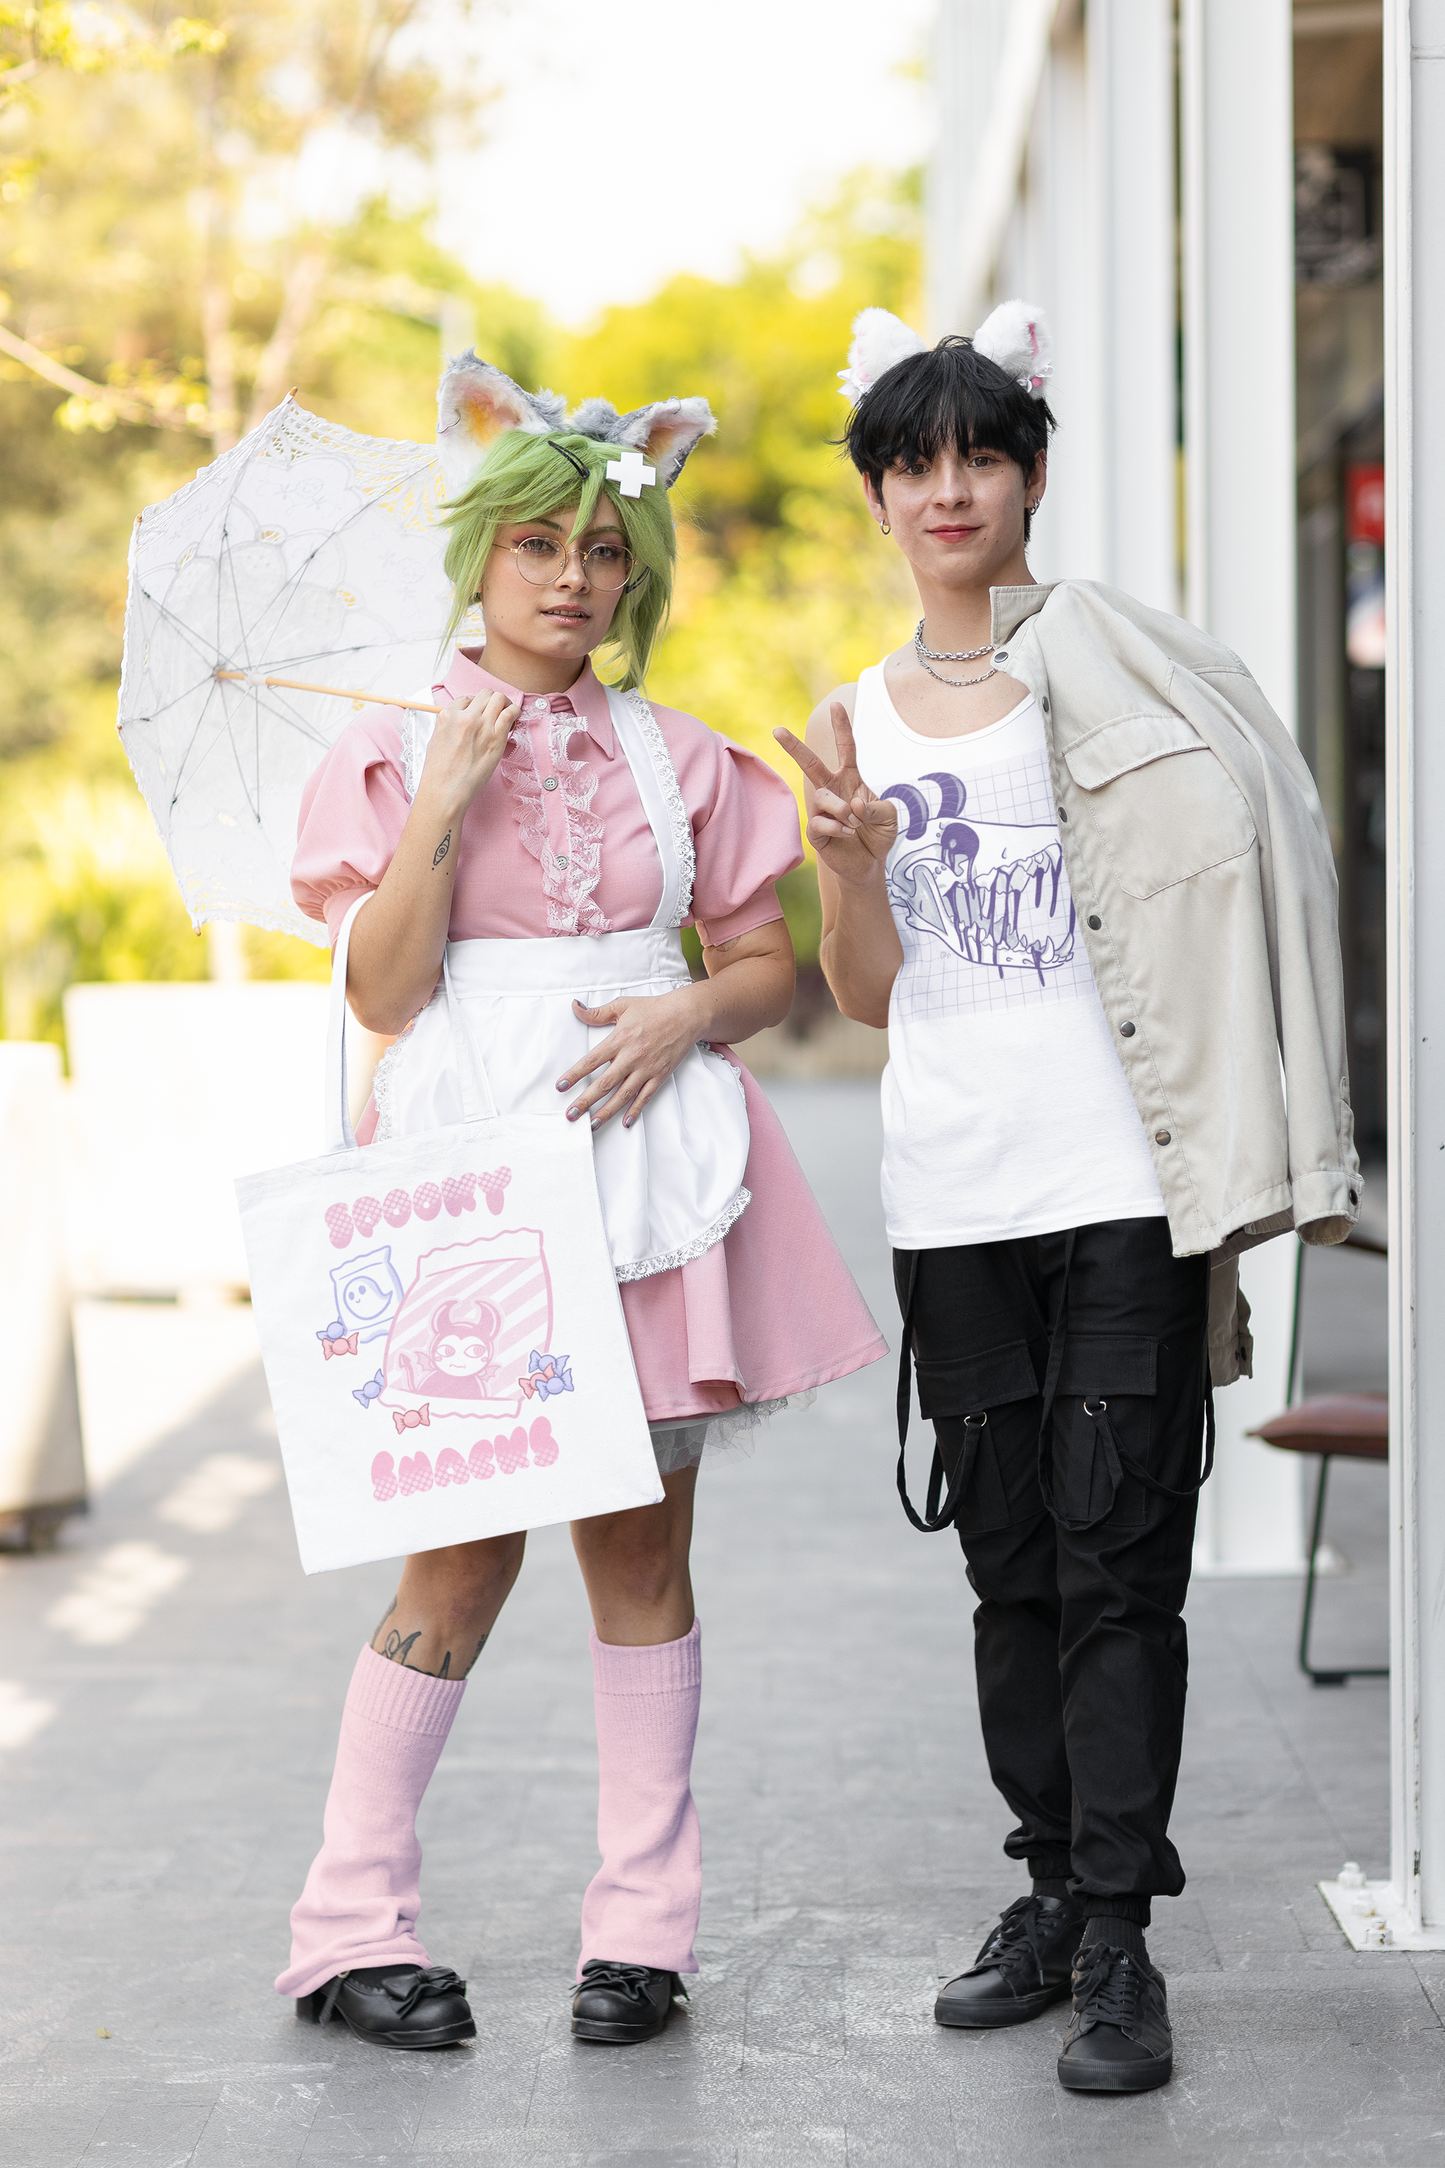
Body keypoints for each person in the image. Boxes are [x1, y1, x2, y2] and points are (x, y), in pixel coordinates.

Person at [775, 302, 1358, 2095]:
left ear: (1031, 474)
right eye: (916, 462)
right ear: (879, 498)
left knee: (1123, 1566)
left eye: (982, 455)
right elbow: (866, 995)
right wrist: (858, 864)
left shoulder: (1118, 672)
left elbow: (1252, 845)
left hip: (1122, 1187)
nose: (950, 489)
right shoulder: (847, 720)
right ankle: (1047, 1887)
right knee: (1010, 1568)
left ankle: (1120, 1942)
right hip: (955, 1196)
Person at [280, 352, 886, 2052]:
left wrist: (690, 1011)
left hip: (646, 1185)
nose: (572, 576)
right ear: (480, 552)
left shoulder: (682, 758)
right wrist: (443, 813)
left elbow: (765, 967)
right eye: (539, 543)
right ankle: (345, 1929)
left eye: (604, 551)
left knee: (641, 1554)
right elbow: (384, 998)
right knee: (457, 1566)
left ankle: (643, 1934)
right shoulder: (398, 750)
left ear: (637, 572)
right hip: (468, 1188)